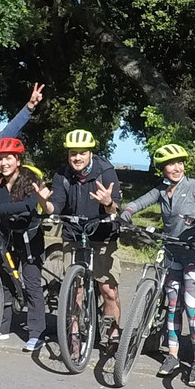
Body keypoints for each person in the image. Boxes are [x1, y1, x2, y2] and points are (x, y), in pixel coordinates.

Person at [120, 143, 195, 378]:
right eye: (170, 164)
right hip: (172, 253)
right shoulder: (161, 190)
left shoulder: (194, 186)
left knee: (191, 306)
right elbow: (139, 202)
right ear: (162, 169)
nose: (176, 168)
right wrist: (127, 211)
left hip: (194, 253)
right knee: (173, 305)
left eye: (179, 163)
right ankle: (173, 355)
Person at [34, 129, 123, 341]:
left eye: (82, 153)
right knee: (75, 291)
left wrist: (108, 203)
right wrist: (44, 202)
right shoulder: (62, 175)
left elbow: (116, 209)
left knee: (108, 290)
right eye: (73, 153)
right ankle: (73, 334)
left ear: (90, 153)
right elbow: (55, 207)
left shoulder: (105, 172)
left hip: (102, 235)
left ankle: (113, 333)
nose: (77, 157)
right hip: (73, 234)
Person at [0, 137, 47, 351]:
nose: (4, 163)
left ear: (18, 160)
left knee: (31, 282)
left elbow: (29, 205)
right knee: (3, 280)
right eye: (0, 159)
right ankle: (3, 326)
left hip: (28, 236)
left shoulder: (29, 179)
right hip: (5, 234)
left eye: (8, 158)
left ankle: (36, 333)